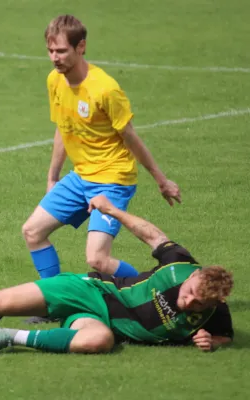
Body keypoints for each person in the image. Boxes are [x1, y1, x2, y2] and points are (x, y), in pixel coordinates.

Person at [0, 195, 233, 354]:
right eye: (190, 291)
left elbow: (225, 337)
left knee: (101, 341)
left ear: (212, 304)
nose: (187, 301)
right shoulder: (179, 264)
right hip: (92, 291)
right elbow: (152, 235)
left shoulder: (215, 313)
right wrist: (112, 210)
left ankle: (12, 338)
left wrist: (212, 341)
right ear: (194, 275)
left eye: (197, 303)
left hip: (99, 324)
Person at [21, 15, 181, 324]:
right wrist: (53, 176)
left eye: (62, 51)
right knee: (33, 231)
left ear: (81, 47)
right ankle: (53, 303)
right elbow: (62, 129)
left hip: (112, 180)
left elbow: (130, 136)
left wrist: (161, 180)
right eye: (50, 51)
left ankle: (148, 297)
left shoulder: (106, 89)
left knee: (97, 259)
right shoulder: (54, 81)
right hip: (81, 177)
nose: (55, 58)